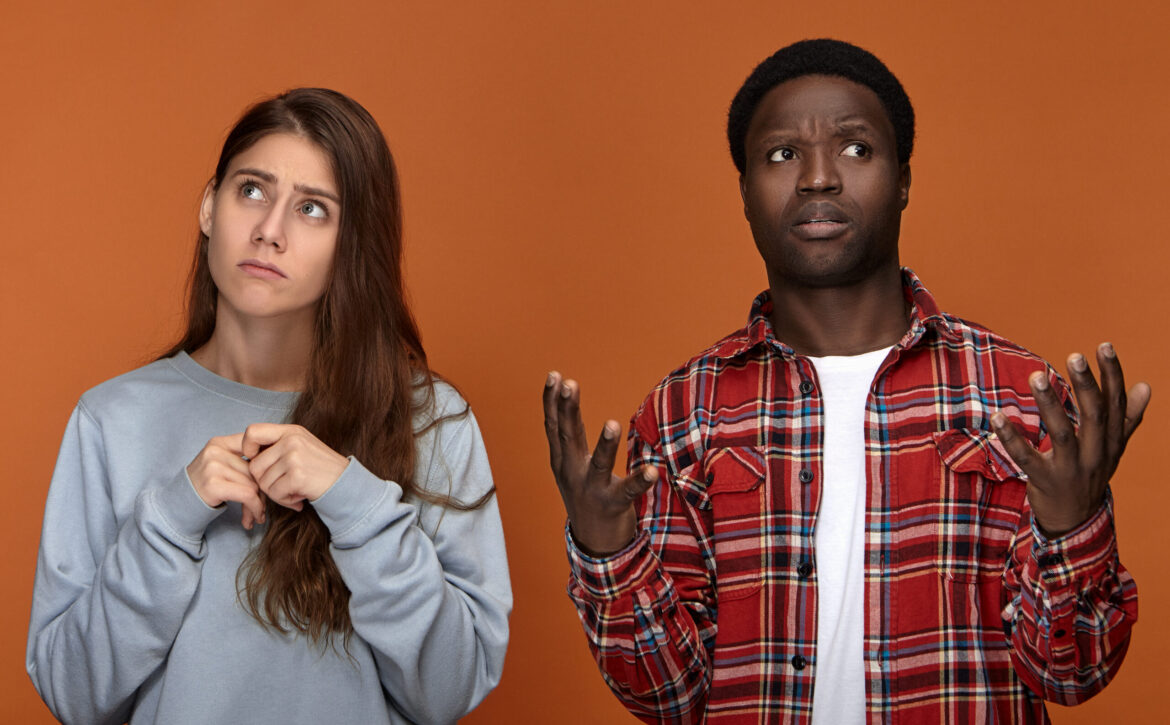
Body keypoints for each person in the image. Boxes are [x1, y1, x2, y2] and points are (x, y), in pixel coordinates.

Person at [542, 39, 1148, 723]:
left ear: (905, 179)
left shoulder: (1013, 395)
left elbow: (1073, 673)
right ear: (744, 190)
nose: (819, 178)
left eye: (856, 149)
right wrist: (607, 549)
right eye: (782, 154)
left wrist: (1071, 528)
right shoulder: (685, 411)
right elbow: (667, 695)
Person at [27, 88, 511, 725]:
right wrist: (170, 520)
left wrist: (355, 502)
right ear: (209, 206)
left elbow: (449, 689)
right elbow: (72, 695)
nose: (269, 230)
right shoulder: (110, 420)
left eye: (312, 209)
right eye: (251, 190)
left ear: (351, 245)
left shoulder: (432, 421)